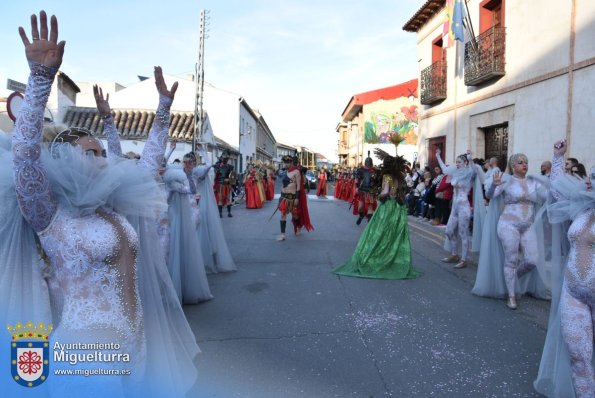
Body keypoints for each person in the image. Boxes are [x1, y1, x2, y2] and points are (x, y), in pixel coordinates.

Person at [5, 11, 198, 397]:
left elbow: (146, 167)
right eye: (87, 154)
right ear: (62, 162)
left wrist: (162, 108)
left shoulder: (112, 208)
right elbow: (25, 154)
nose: (99, 161)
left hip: (135, 343)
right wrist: (40, 80)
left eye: (99, 153)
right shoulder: (48, 214)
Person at [534, 141, 595, 398]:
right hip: (574, 293)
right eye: (591, 176)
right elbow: (558, 190)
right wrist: (558, 158)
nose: (589, 182)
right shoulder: (582, 207)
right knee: (578, 359)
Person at [472, 153, 549, 309]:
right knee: (511, 260)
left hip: (528, 226)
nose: (524, 165)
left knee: (532, 260)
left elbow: (549, 196)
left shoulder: (534, 182)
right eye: (520, 162)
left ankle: (512, 280)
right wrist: (494, 184)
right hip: (508, 224)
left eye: (526, 162)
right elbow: (490, 195)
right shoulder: (506, 180)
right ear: (513, 166)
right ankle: (511, 295)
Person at [333, 146, 421, 280]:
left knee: (380, 232)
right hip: (397, 207)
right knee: (393, 234)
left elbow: (385, 192)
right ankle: (392, 258)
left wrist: (379, 196)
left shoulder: (387, 176)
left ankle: (379, 257)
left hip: (387, 206)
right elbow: (401, 191)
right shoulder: (399, 177)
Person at [436, 148, 483, 269]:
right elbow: (444, 169)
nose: (457, 164)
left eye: (459, 162)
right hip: (455, 207)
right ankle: (454, 254)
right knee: (449, 231)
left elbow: (473, 169)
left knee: (463, 233)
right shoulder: (455, 173)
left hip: (464, 207)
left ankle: (463, 259)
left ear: (465, 163)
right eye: (456, 162)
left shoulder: (469, 173)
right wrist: (437, 156)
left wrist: (470, 158)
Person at [192, 144, 237, 273]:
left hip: (212, 193)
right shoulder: (191, 171)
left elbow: (209, 167)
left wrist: (203, 151)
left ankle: (205, 254)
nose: (225, 160)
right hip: (196, 198)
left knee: (226, 201)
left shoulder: (201, 171)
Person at [355, 153, 378, 225]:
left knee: (370, 207)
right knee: (360, 207)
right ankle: (361, 215)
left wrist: (376, 188)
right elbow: (357, 179)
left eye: (369, 163)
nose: (368, 164)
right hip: (362, 190)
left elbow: (377, 181)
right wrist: (356, 187)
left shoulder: (374, 171)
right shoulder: (360, 170)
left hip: (371, 191)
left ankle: (369, 224)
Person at [214, 152, 235, 217]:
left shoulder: (230, 167)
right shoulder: (218, 166)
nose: (225, 159)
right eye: (224, 158)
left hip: (227, 185)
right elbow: (216, 177)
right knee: (220, 199)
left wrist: (230, 181)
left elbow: (232, 177)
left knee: (228, 199)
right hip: (221, 185)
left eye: (226, 158)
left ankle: (229, 212)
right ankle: (220, 213)